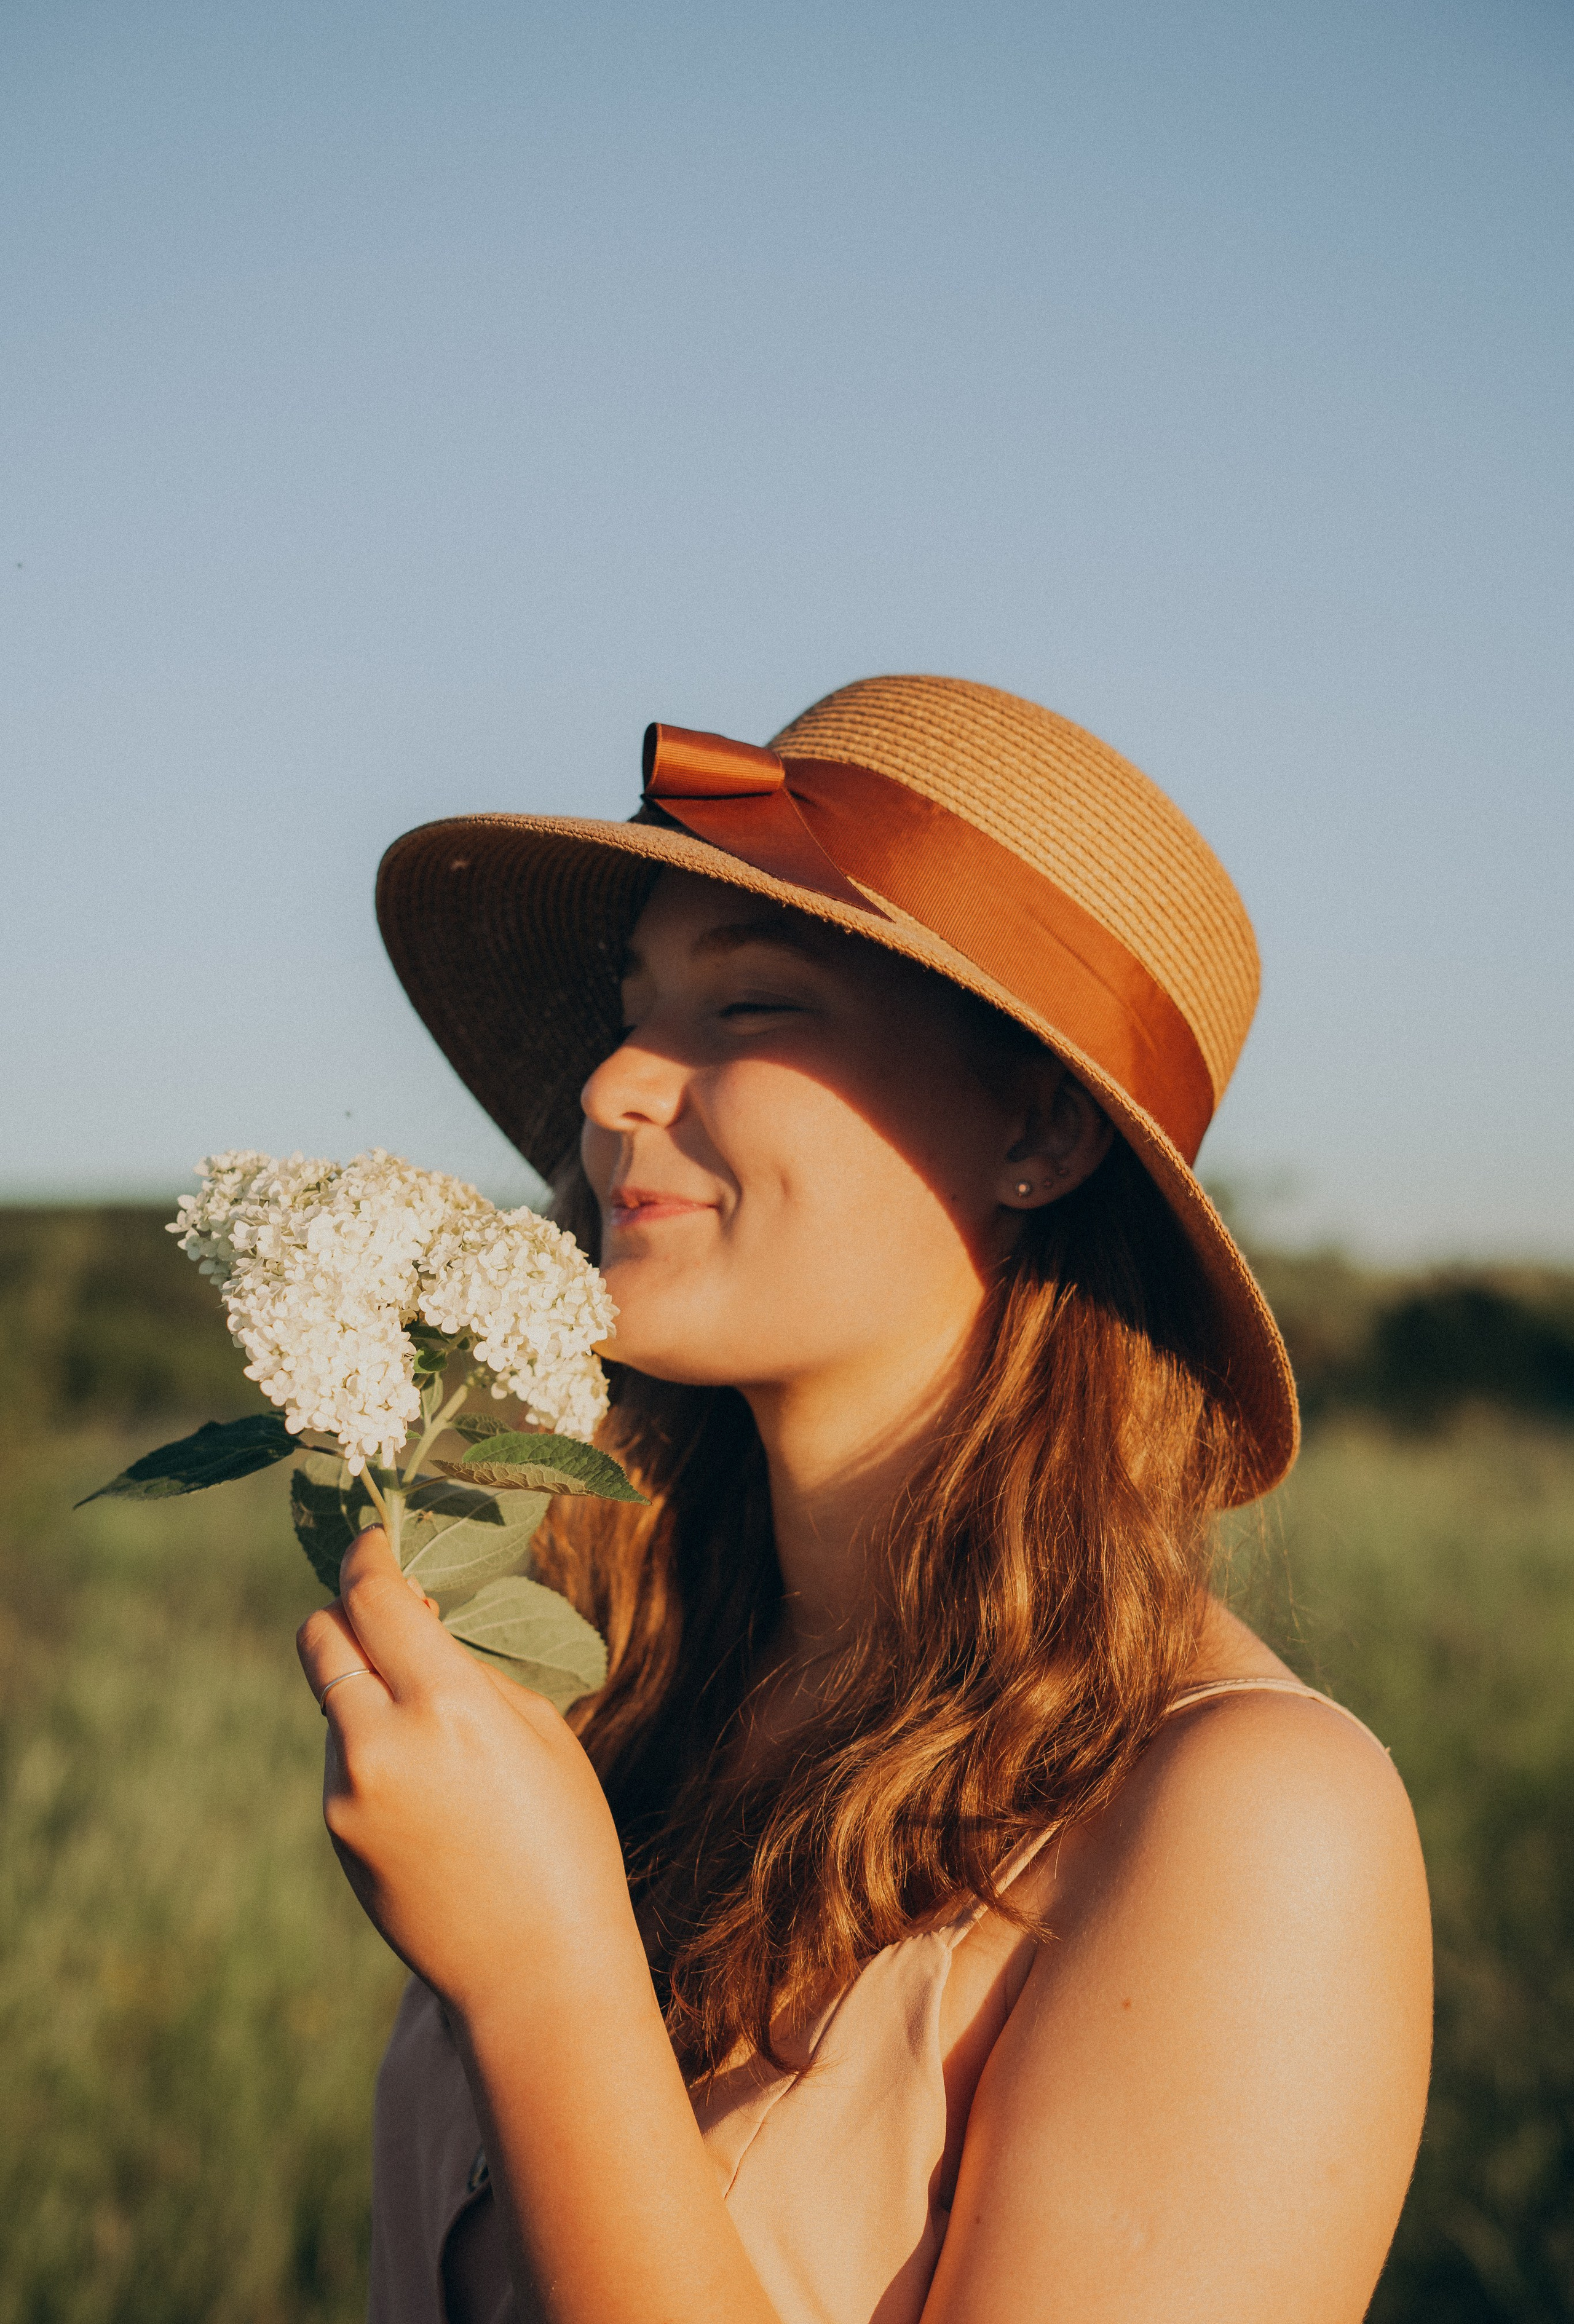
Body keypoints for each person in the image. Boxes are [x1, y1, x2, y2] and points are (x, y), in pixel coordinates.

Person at [299, 674, 1432, 2324]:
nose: (613, 1088)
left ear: (1038, 1125)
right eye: (634, 1004)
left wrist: (545, 1976)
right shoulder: (636, 1690)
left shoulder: (1250, 1824)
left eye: (752, 1009)